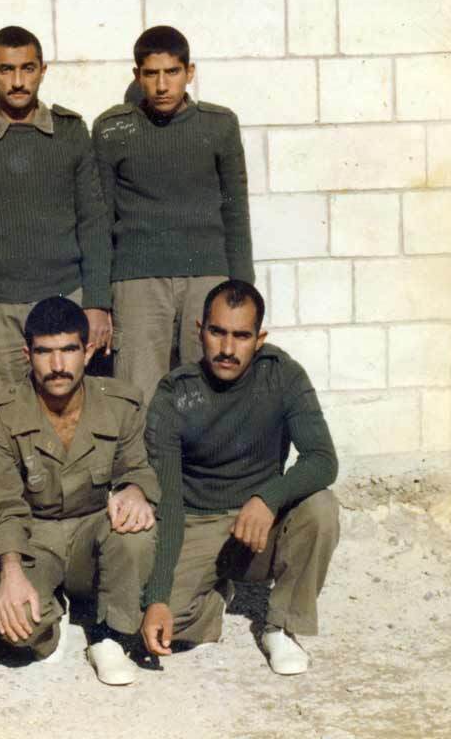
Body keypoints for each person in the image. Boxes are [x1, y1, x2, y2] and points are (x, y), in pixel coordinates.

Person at [140, 280, 339, 676]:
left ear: (259, 339)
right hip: (197, 522)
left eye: (241, 336)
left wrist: (268, 498)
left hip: (259, 527)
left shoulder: (282, 375)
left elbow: (322, 459)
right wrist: (159, 595)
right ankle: (214, 598)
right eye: (217, 332)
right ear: (200, 331)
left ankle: (280, 626)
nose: (228, 349)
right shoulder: (175, 393)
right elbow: (170, 501)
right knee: (152, 621)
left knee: (321, 507)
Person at [0, 297, 158, 685]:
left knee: (137, 529)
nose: (57, 365)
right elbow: (4, 503)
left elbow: (138, 467)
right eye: (44, 352)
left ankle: (110, 635)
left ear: (87, 351)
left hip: (92, 533)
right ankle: (53, 612)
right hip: (33, 539)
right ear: (27, 355)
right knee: (14, 627)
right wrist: (11, 571)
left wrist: (135, 490)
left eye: (68, 350)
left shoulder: (121, 404)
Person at [0, 25, 113, 385]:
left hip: (64, 298)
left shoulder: (71, 132)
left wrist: (97, 302)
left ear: (42, 71)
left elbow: (93, 222)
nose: (18, 81)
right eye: (6, 70)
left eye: (27, 69)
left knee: (66, 404)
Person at [92, 25, 255, 403]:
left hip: (207, 277)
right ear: (137, 75)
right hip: (137, 280)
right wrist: (98, 298)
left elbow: (236, 212)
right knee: (138, 392)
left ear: (189, 72)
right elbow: (98, 221)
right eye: (151, 74)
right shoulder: (112, 129)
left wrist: (243, 291)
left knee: (208, 388)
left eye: (172, 72)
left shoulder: (219, 125)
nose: (162, 85)